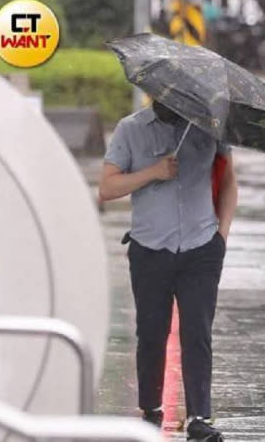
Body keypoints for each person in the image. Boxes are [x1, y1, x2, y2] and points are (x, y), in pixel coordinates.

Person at [98, 100, 237, 442]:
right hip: (150, 249)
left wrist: (221, 237)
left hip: (201, 247)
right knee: (150, 334)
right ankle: (150, 410)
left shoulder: (210, 127)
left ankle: (199, 417)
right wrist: (153, 172)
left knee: (197, 334)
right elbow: (106, 188)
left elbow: (230, 181)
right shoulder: (131, 129)